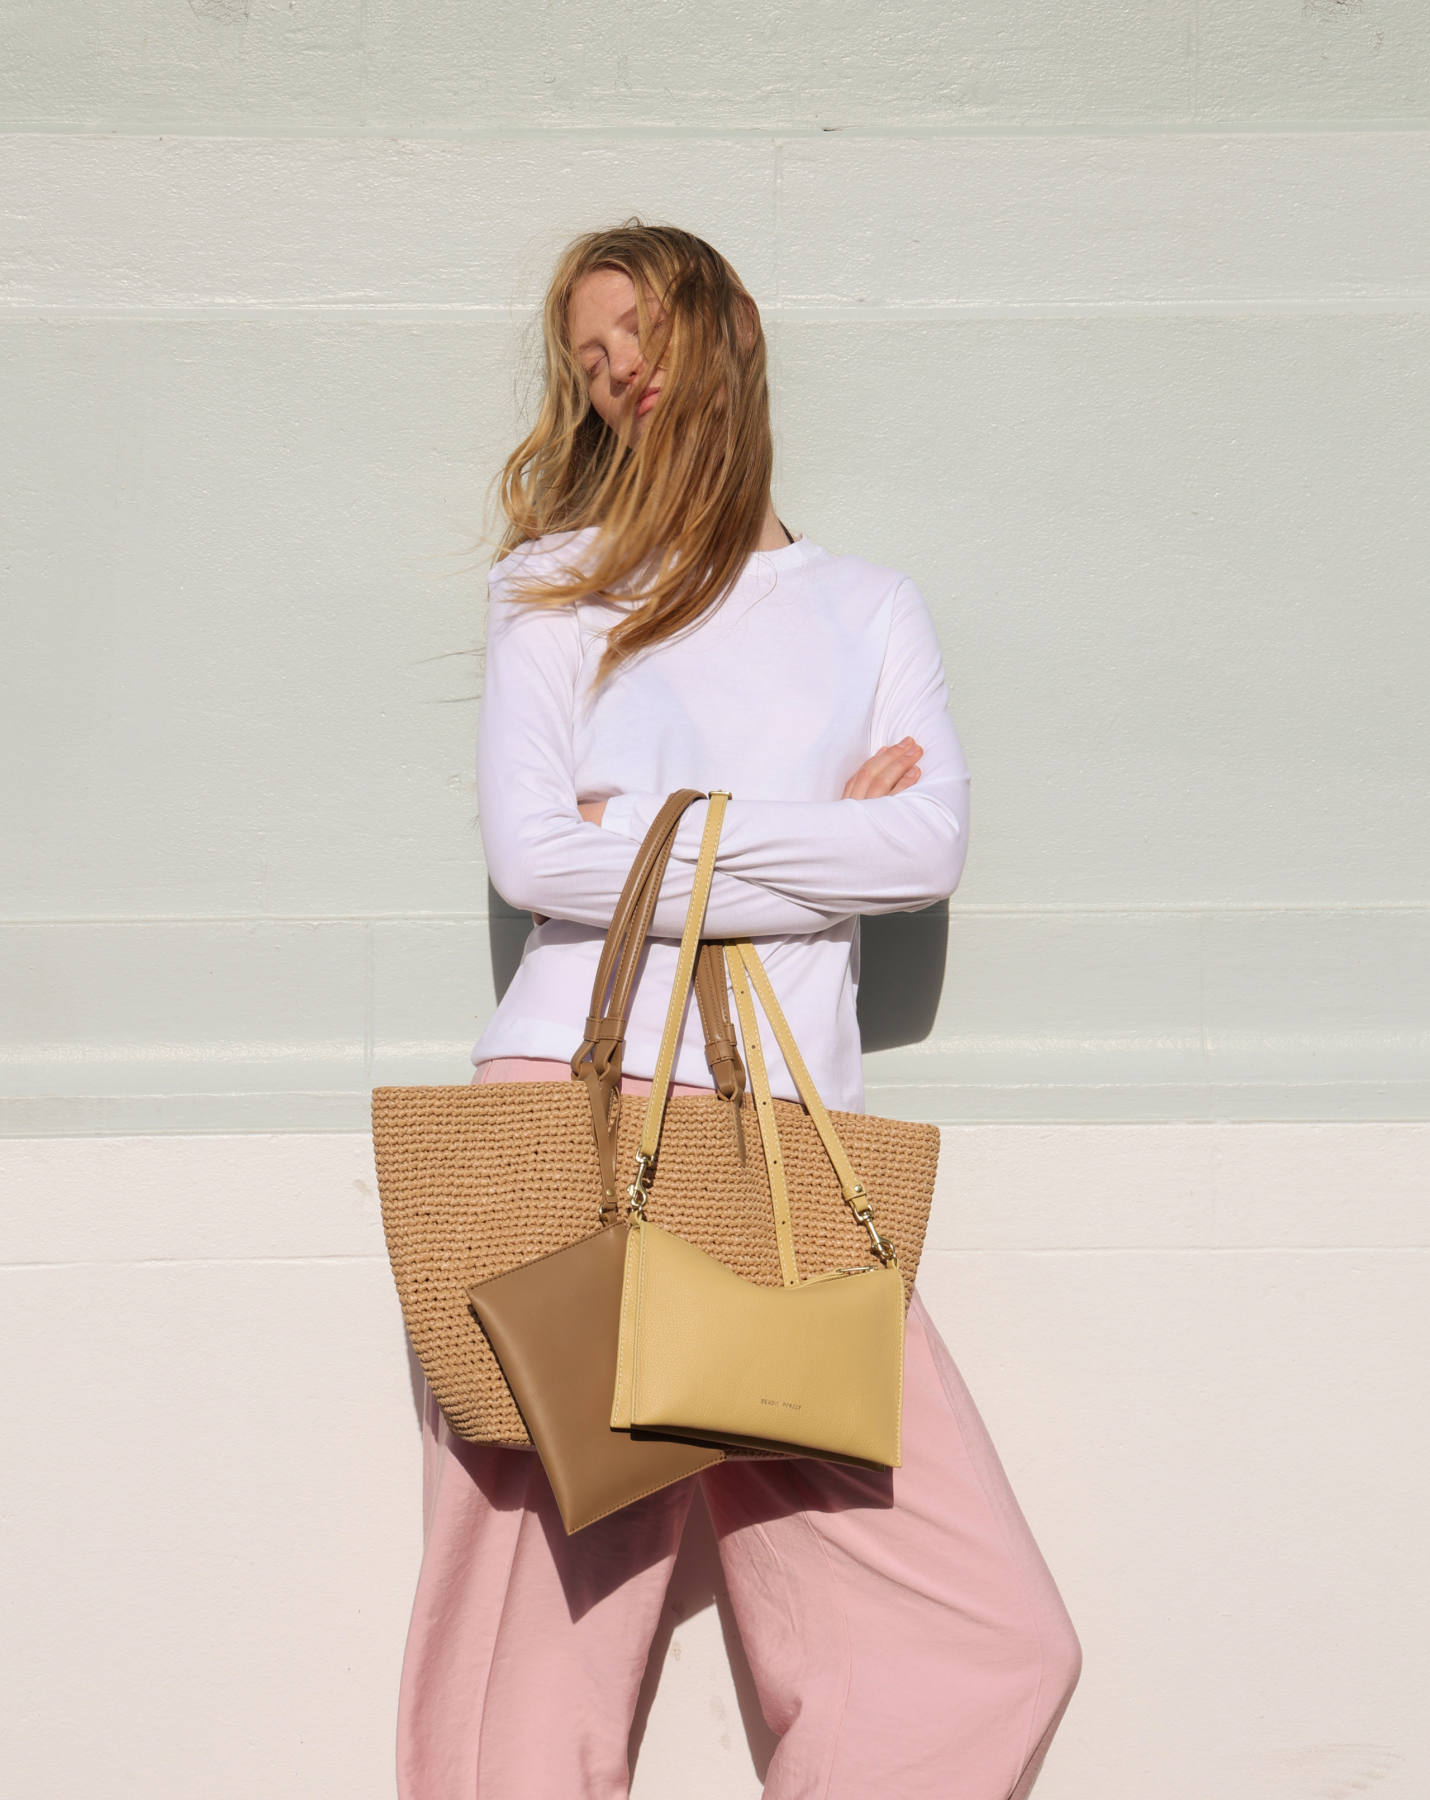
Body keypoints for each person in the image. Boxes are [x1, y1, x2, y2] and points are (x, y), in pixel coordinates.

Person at [396, 222, 1080, 1800]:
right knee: (526, 1670)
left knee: (985, 1635)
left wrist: (662, 824)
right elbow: (536, 857)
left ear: (727, 332)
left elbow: (922, 852)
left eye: (635, 329)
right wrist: (812, 838)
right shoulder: (556, 587)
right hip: (564, 1123)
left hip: (781, 1149)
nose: (615, 367)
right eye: (586, 355)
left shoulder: (866, 606)